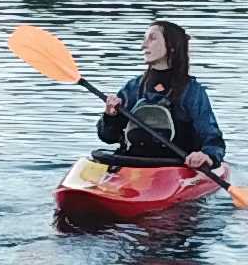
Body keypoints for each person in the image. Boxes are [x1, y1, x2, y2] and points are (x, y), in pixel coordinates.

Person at [96, 17, 225, 176]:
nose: (143, 45)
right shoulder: (133, 88)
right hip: (131, 164)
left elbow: (213, 139)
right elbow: (108, 137)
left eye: (152, 38)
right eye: (144, 39)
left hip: (175, 167)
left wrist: (207, 156)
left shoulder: (192, 92)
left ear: (171, 46)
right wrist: (110, 116)